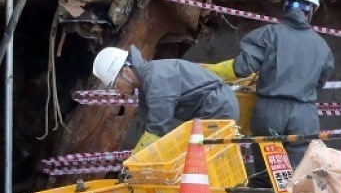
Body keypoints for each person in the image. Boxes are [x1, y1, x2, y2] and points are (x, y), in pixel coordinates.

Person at [207, 0, 334, 193]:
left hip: (269, 111)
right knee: (299, 172)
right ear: (312, 10)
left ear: (285, 5)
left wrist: (210, 73)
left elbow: (242, 68)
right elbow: (320, 82)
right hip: (304, 113)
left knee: (266, 170)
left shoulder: (269, 34)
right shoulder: (322, 46)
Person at [92, 45, 240, 153]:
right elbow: (148, 126)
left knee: (197, 159)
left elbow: (158, 127)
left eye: (115, 84)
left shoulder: (156, 78)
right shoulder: (145, 87)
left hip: (218, 108)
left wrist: (134, 161)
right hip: (213, 107)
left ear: (126, 72)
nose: (118, 91)